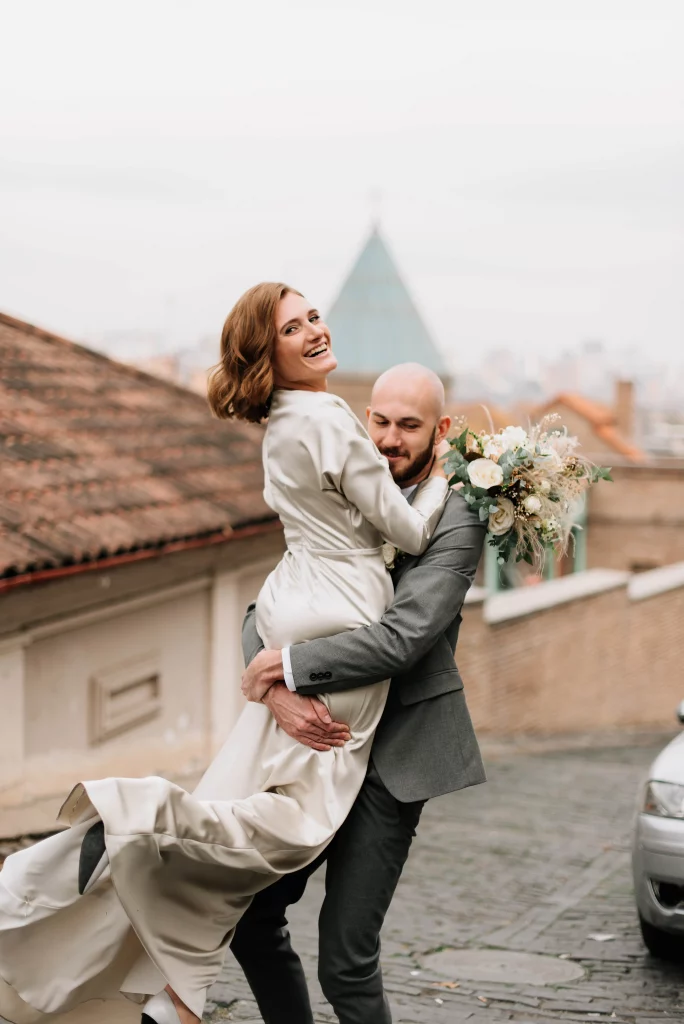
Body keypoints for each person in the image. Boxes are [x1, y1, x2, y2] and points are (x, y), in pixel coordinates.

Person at [0, 285, 449, 1024]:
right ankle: (139, 812)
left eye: (311, 316)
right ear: (266, 353)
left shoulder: (277, 425)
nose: (313, 330)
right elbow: (406, 533)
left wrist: (274, 671)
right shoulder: (331, 418)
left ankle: (176, 993)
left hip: (289, 615)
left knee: (237, 811)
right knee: (289, 825)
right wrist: (441, 484)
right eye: (291, 327)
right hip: (340, 632)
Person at [232, 363, 486, 1024]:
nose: (390, 439)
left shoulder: (458, 516)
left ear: (441, 430)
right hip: (315, 743)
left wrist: (284, 665)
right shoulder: (342, 482)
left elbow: (402, 639)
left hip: (391, 759)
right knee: (252, 919)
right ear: (361, 418)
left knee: (345, 960)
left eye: (410, 426)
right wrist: (277, 691)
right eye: (380, 421)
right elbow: (267, 606)